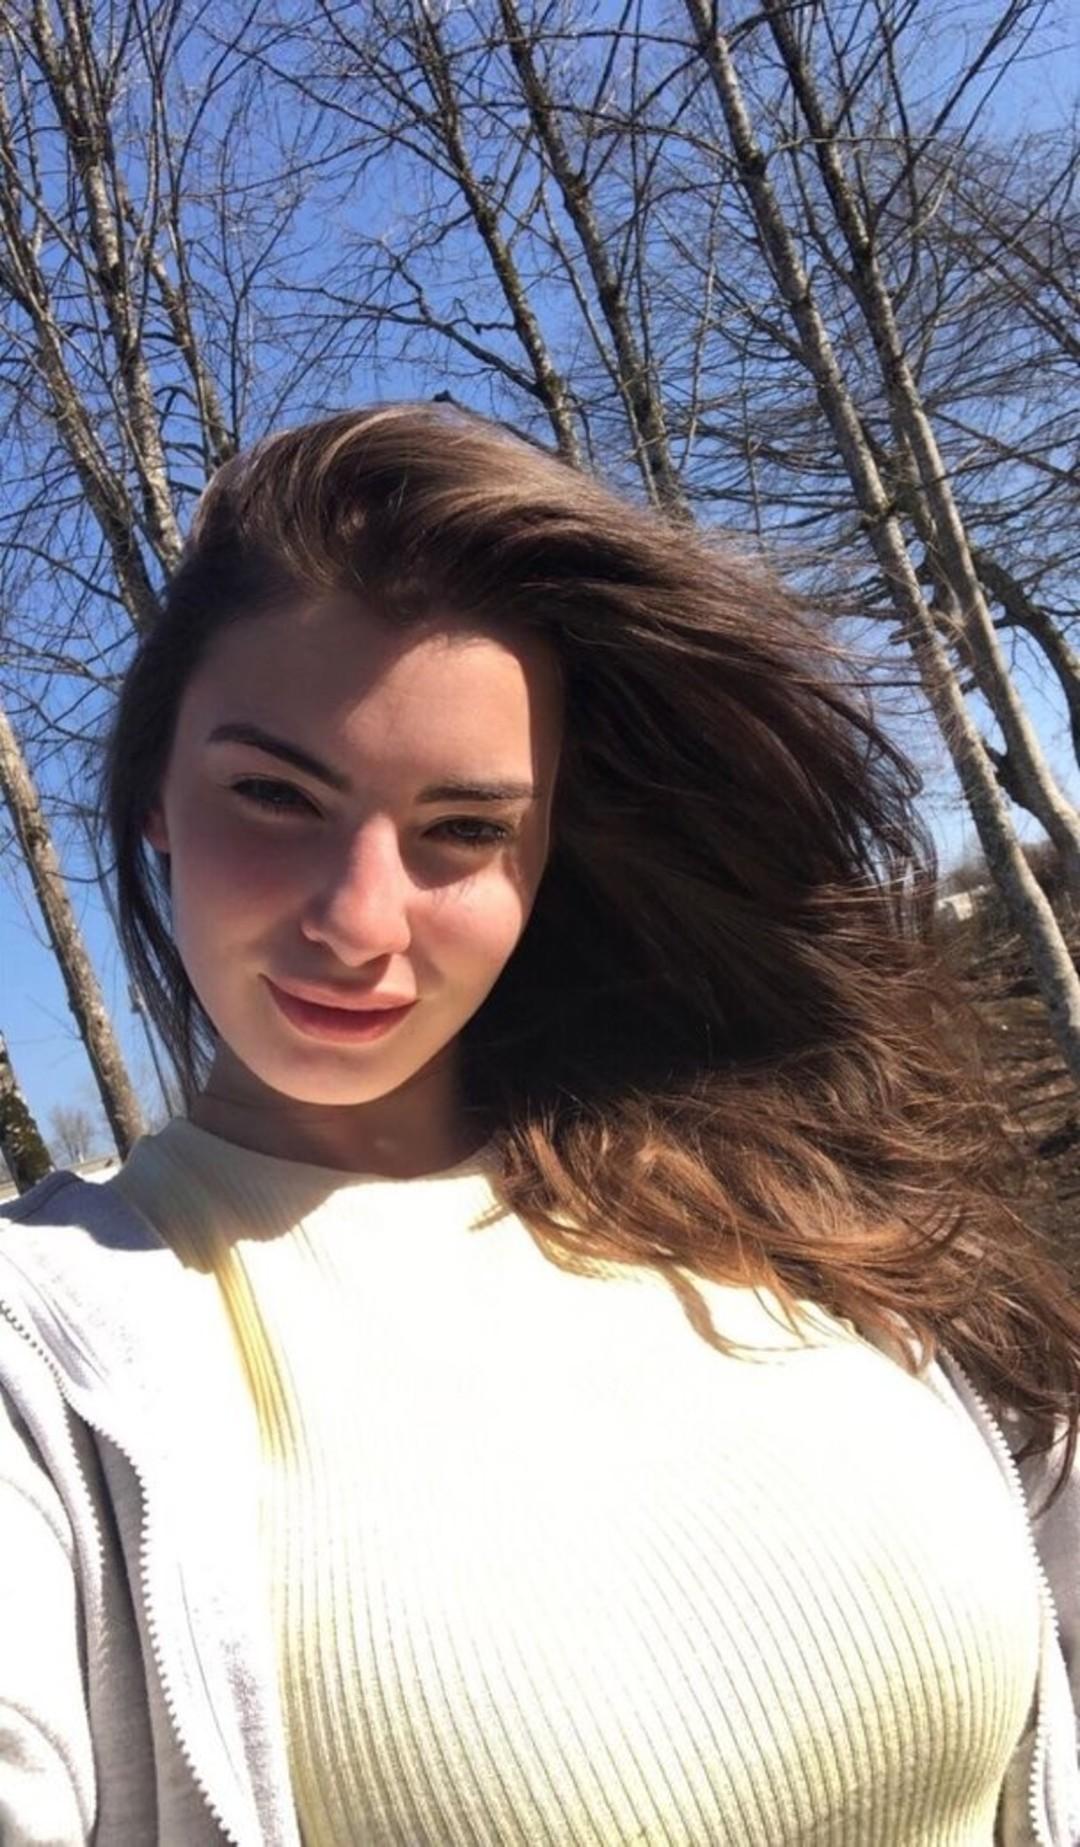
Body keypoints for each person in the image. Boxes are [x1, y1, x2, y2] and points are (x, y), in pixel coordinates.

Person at [1, 402, 1078, 1847]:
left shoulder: (790, 1190)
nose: (359, 922)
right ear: (153, 795)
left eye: (462, 829)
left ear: (547, 844)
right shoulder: (46, 1362)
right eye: (273, 794)